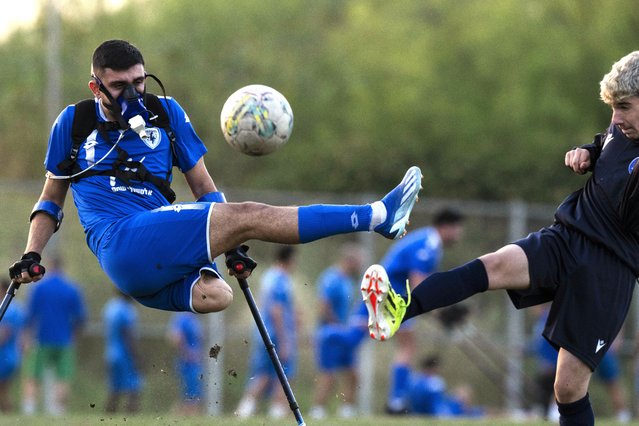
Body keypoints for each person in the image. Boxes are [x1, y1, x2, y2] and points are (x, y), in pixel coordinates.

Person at [8, 38, 421, 317]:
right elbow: (50, 199)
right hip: (117, 239)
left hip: (153, 249)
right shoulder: (75, 121)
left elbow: (203, 187)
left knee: (216, 295)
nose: (132, 93)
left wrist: (231, 246)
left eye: (138, 81)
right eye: (119, 86)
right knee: (249, 213)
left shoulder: (166, 112)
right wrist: (32, 254)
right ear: (96, 87)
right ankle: (377, 215)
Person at [361, 50, 639, 425]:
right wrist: (586, 153)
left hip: (608, 270)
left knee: (568, 389)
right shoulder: (619, 131)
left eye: (624, 106)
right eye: (612, 107)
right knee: (491, 265)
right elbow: (604, 145)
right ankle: (396, 311)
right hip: (567, 236)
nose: (616, 117)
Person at [376, 207, 465, 414]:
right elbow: (418, 283)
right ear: (445, 227)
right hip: (391, 294)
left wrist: (442, 308)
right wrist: (440, 312)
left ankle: (397, 399)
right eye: (457, 228)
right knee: (407, 346)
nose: (459, 234)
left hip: (391, 292)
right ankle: (396, 402)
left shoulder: (430, 242)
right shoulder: (428, 244)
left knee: (406, 345)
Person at [236, 245, 299, 419]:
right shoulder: (280, 279)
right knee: (284, 373)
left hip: (264, 332)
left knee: (264, 373)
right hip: (276, 334)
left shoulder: (269, 277)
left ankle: (244, 410)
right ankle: (277, 413)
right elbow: (276, 310)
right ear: (289, 259)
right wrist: (284, 339)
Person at [21, 256, 87, 416]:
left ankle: (30, 409)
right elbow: (80, 318)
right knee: (62, 377)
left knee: (33, 375)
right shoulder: (72, 288)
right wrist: (74, 337)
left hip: (41, 338)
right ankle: (58, 410)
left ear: (49, 267)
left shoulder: (39, 288)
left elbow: (30, 315)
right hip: (64, 340)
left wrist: (26, 337)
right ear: (63, 267)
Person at [309, 242, 365, 419]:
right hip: (330, 334)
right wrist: (338, 325)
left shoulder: (348, 281)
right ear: (349, 261)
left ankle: (347, 410)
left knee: (353, 374)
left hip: (345, 333)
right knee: (328, 375)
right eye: (357, 262)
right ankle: (317, 410)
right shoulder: (331, 278)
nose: (359, 266)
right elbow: (323, 306)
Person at [103, 291, 143, 414]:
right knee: (133, 388)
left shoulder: (110, 307)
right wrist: (137, 356)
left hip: (111, 353)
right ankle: (131, 418)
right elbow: (127, 335)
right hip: (125, 354)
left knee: (114, 388)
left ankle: (108, 418)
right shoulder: (127, 309)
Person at [166, 311, 204, 415]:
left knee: (193, 395)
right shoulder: (181, 317)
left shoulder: (194, 318)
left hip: (196, 363)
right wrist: (187, 353)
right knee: (190, 396)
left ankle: (180, 418)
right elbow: (175, 337)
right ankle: (181, 418)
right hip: (187, 363)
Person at [0, 278, 26, 413]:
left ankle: (8, 412)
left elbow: (3, 335)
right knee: (4, 390)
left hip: (4, 356)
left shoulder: (7, 309)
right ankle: (8, 413)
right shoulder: (17, 308)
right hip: (12, 355)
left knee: (3, 389)